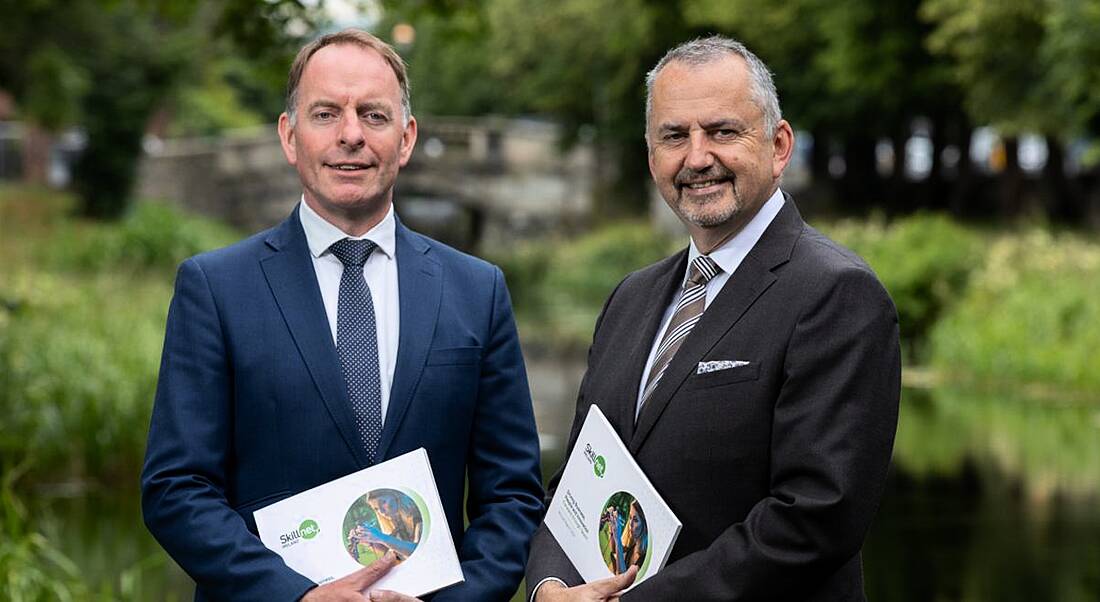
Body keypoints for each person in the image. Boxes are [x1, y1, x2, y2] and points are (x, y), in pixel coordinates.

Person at [141, 28, 544, 602]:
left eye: (373, 116)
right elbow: (175, 489)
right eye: (326, 113)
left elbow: (512, 496)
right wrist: (296, 596)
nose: (350, 135)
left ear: (406, 140)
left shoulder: (477, 289)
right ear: (289, 136)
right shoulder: (214, 288)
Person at [526, 35, 900, 601]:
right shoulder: (630, 297)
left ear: (778, 146)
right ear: (652, 158)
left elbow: (816, 519)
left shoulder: (837, 294)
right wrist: (550, 587)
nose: (697, 157)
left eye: (723, 131)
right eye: (674, 136)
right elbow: (578, 482)